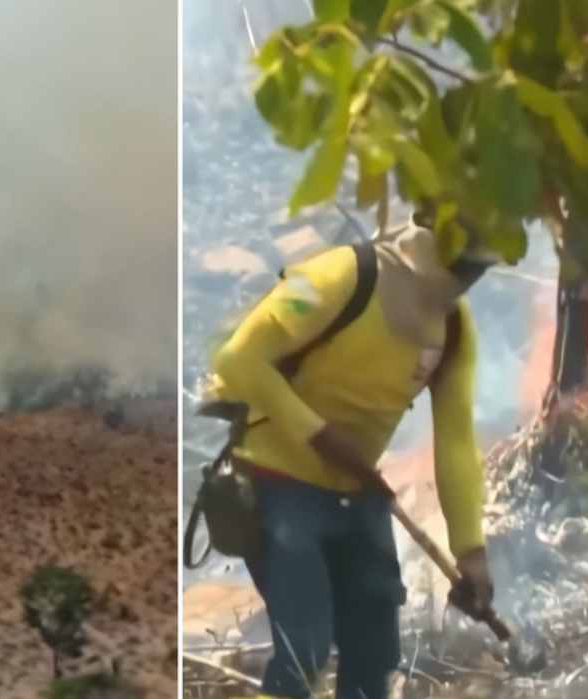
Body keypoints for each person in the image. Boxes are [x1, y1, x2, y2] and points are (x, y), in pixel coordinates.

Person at [209, 216, 497, 699]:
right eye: (465, 264)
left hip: (357, 493)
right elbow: (238, 359)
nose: (466, 279)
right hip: (275, 480)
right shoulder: (334, 276)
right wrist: (320, 436)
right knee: (304, 647)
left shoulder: (453, 328)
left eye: (477, 270)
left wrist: (471, 551)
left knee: (374, 652)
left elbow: (455, 441)